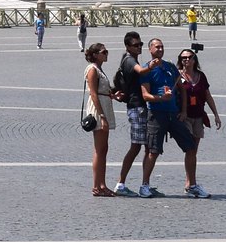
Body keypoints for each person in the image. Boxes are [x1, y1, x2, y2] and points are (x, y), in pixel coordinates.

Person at [136, 38, 207, 198]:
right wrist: (161, 98)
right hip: (156, 114)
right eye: (157, 47)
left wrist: (183, 111)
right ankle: (144, 185)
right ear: (150, 49)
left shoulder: (169, 67)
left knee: (190, 148)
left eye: (162, 46)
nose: (160, 49)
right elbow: (145, 95)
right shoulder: (146, 70)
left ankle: (192, 185)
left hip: (173, 114)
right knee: (153, 151)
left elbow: (181, 89)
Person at [111, 32, 151, 196]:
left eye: (141, 44)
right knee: (136, 147)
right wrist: (155, 65)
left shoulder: (129, 58)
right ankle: (120, 184)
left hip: (140, 106)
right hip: (136, 107)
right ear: (127, 46)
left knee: (148, 147)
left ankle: (145, 184)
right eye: (136, 45)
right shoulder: (129, 60)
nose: (139, 47)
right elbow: (141, 71)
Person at [81, 43, 115, 196]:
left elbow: (102, 91)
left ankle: (102, 184)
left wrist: (112, 95)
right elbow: (94, 94)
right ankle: (97, 186)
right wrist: (101, 116)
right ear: (95, 54)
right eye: (103, 52)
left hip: (104, 105)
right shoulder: (92, 70)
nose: (106, 54)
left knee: (104, 149)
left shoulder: (100, 69)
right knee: (99, 149)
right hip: (98, 109)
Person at [177, 49, 222, 151]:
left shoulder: (200, 76)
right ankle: (189, 165)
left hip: (198, 115)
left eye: (189, 57)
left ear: (194, 60)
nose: (187, 59)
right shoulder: (177, 76)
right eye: (184, 58)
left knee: (194, 149)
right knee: (189, 147)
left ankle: (191, 167)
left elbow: (208, 96)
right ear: (180, 60)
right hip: (185, 116)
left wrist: (216, 115)